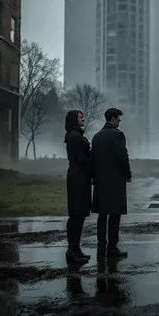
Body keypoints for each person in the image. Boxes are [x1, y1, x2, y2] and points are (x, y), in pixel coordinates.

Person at [91, 107, 132, 258]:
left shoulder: (97, 136)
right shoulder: (118, 135)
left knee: (102, 215)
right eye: (119, 118)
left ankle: (101, 247)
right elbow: (123, 157)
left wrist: (95, 177)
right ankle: (112, 248)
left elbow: (92, 159)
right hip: (115, 181)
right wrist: (127, 175)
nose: (120, 121)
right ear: (113, 119)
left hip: (101, 181)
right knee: (114, 215)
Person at [64, 110, 92, 263]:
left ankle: (76, 249)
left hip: (80, 176)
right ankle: (72, 250)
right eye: (80, 117)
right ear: (74, 120)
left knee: (80, 214)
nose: (83, 119)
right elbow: (80, 158)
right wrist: (91, 168)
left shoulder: (76, 135)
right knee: (76, 214)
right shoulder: (74, 136)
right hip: (77, 177)